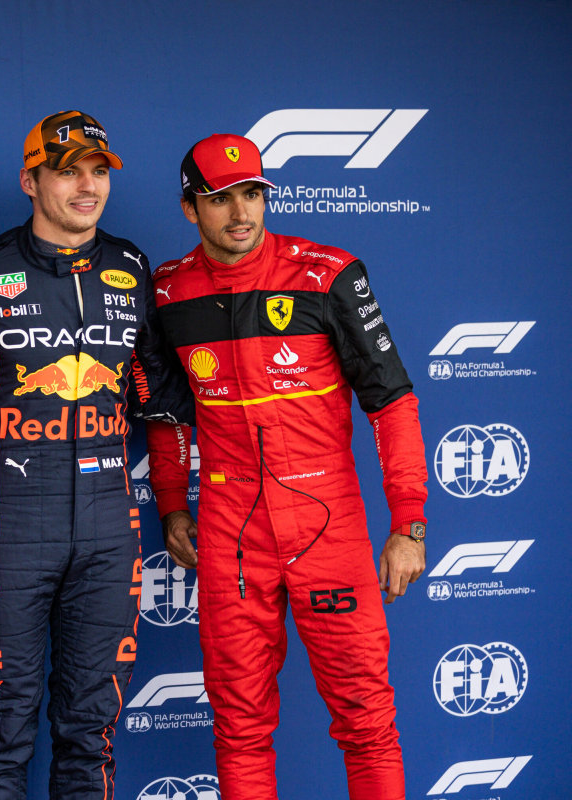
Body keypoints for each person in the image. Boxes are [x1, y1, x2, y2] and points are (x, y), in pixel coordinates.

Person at [146, 133, 428, 800]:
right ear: (190, 208)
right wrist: (172, 504)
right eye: (220, 199)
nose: (241, 212)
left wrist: (409, 523)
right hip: (230, 532)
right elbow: (167, 415)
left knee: (367, 720)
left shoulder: (328, 274)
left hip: (327, 524)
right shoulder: (168, 292)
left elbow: (391, 401)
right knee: (238, 726)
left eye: (252, 194)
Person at [0, 110, 193, 800]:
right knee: (3, 726)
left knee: (92, 729)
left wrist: (175, 506)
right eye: (68, 171)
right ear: (30, 181)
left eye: (98, 172)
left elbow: (162, 401)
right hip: (13, 524)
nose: (88, 186)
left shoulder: (130, 266)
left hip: (111, 527)